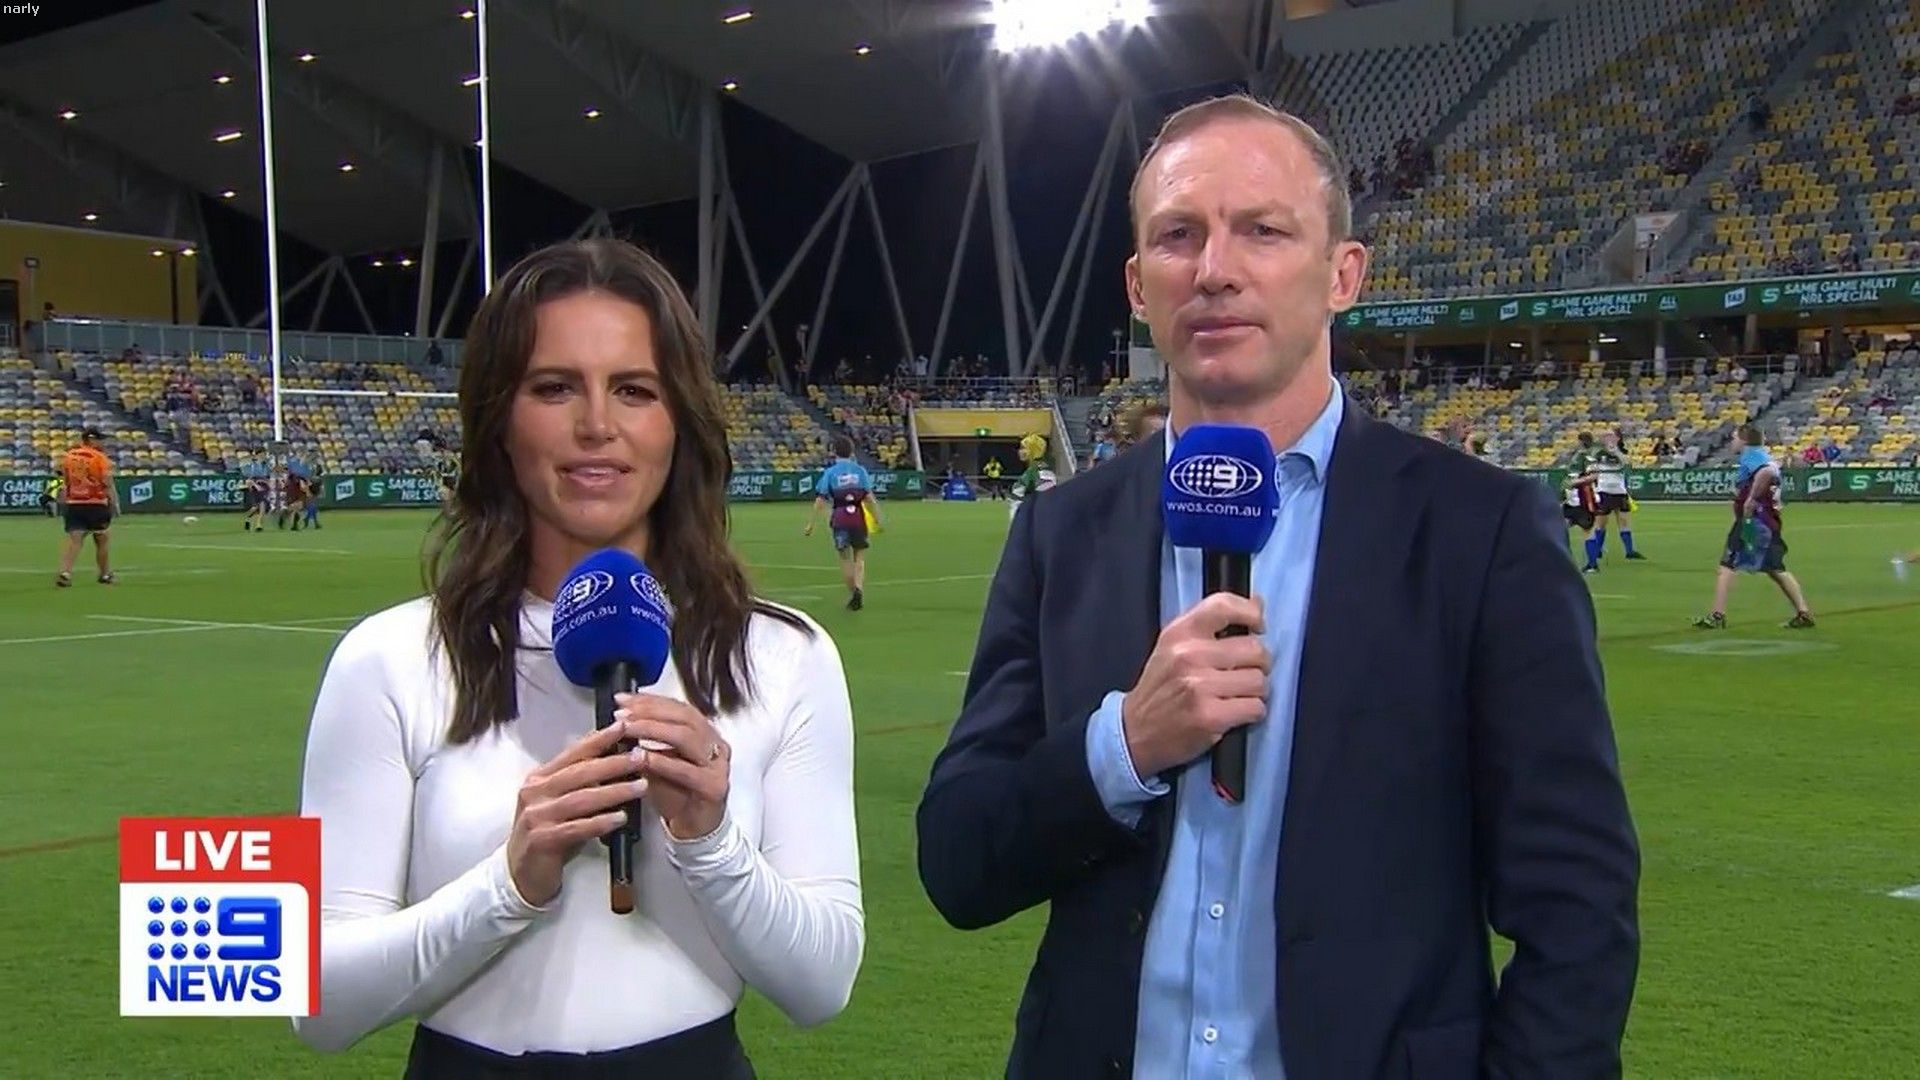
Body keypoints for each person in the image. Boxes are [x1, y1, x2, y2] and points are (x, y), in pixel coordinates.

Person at [916, 94, 1639, 1079]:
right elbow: (959, 861)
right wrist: (1123, 747)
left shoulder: (1480, 531)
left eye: (1263, 230)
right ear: (1138, 285)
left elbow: (1578, 906)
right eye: (1178, 235)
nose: (1214, 269)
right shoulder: (1063, 532)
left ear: (1344, 274)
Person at [292, 239, 863, 1075]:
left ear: (678, 420)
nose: (597, 425)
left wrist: (710, 842)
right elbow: (313, 1007)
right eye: (554, 387)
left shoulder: (782, 655)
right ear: (499, 419)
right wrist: (509, 882)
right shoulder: (386, 658)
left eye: (635, 389)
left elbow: (823, 987)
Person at [1693, 423, 1815, 630]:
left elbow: (1766, 472)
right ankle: (1803, 613)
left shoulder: (1752, 456)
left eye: (1735, 438)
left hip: (1753, 521)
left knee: (1727, 565)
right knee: (1775, 568)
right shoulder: (1762, 455)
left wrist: (1751, 499)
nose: (1732, 442)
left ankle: (1717, 615)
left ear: (1744, 440)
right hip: (1768, 522)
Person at [803, 434, 883, 611]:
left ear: (834, 452)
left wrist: (811, 523)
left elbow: (821, 498)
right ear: (852, 451)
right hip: (858, 517)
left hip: (840, 517)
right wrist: (877, 517)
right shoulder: (860, 471)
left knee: (844, 557)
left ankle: (853, 592)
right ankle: (859, 588)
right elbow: (869, 497)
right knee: (859, 557)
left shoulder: (830, 473)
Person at [55, 427, 118, 587]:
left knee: (74, 540)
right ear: (92, 440)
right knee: (101, 539)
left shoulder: (69, 456)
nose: (102, 443)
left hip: (75, 503)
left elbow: (63, 479)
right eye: (100, 439)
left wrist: (63, 498)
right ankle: (104, 574)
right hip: (96, 503)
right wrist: (114, 502)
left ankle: (65, 572)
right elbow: (107, 481)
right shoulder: (99, 457)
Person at [1590, 429, 1645, 561]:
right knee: (1601, 523)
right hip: (1604, 490)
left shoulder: (1622, 452)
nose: (1608, 438)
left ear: (1618, 438)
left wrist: (1615, 451)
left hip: (1620, 491)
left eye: (1611, 436)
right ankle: (1597, 550)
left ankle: (1629, 551)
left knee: (1624, 521)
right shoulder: (1598, 453)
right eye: (1606, 436)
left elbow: (1626, 463)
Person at [1562, 433, 1601, 571]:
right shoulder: (1577, 456)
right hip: (1571, 500)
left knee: (1587, 531)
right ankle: (1563, 561)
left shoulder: (1588, 457)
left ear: (1581, 442)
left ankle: (1592, 564)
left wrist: (1576, 482)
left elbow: (1594, 475)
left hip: (1583, 501)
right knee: (1558, 527)